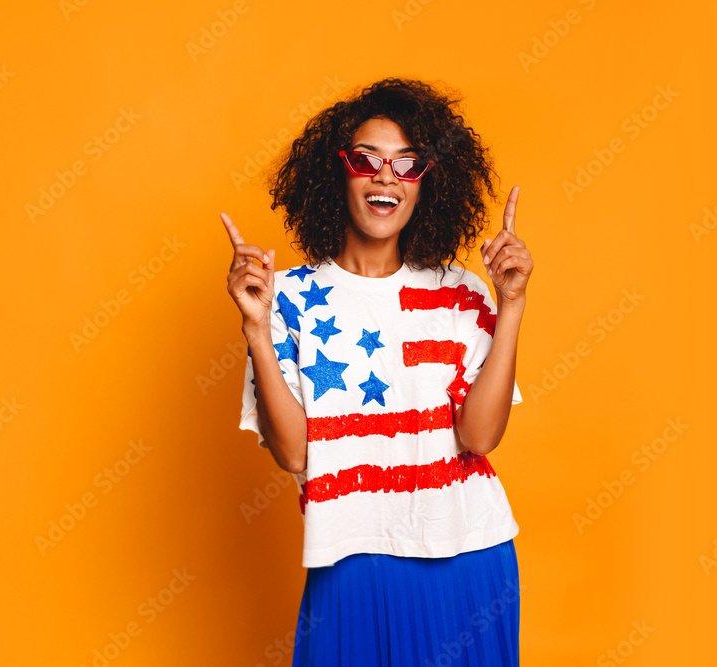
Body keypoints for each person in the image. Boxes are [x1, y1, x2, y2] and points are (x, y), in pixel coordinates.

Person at [223, 77, 533, 666]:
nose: (385, 175)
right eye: (366, 159)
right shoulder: (284, 299)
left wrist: (511, 305)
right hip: (350, 554)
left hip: (468, 556)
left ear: (426, 185)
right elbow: (293, 455)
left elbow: (480, 437)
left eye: (407, 164)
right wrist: (258, 334)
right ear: (335, 173)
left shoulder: (461, 294)